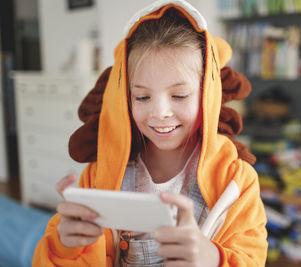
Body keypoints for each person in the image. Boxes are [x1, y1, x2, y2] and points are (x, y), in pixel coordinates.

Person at [33, 1, 267, 266]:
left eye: (179, 95)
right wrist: (65, 247)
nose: (159, 112)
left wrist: (213, 258)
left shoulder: (236, 182)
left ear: (207, 94)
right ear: (124, 98)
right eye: (142, 96)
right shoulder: (102, 175)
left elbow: (252, 257)